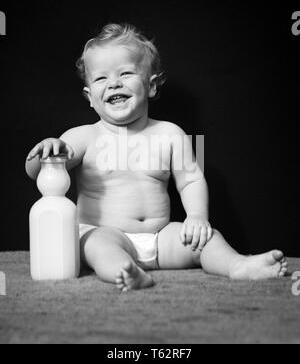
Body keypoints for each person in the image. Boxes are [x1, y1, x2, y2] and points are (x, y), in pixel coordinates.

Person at [25, 23, 288, 291]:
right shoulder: (83, 137)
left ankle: (237, 265)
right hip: (105, 231)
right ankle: (125, 272)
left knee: (207, 238)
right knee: (97, 246)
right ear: (90, 96)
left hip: (161, 238)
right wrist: (45, 150)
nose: (114, 82)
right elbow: (36, 172)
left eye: (126, 73)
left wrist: (197, 216)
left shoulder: (170, 134)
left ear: (150, 86)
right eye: (101, 79)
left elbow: (191, 180)